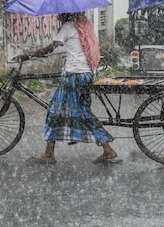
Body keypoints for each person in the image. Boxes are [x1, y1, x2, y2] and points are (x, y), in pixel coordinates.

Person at [15, 12, 120, 164]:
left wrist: (28, 54)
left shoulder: (69, 27)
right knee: (83, 111)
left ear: (66, 15)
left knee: (55, 110)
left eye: (60, 15)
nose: (58, 17)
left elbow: (50, 48)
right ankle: (106, 148)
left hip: (74, 76)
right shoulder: (86, 26)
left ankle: (49, 153)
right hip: (86, 74)